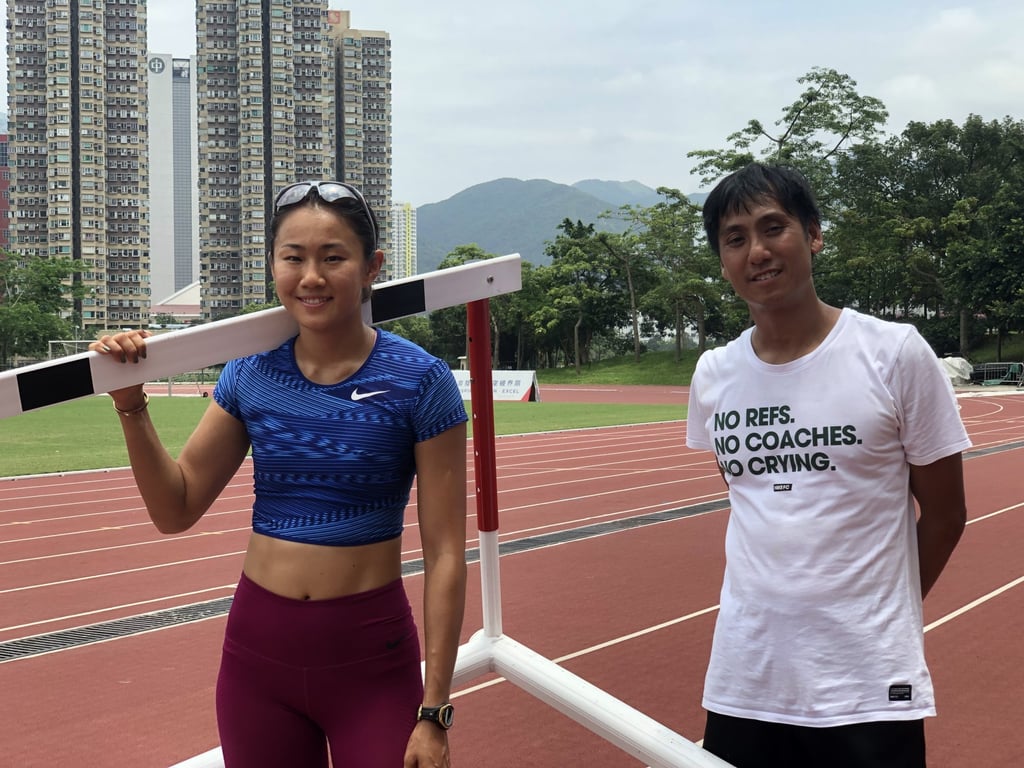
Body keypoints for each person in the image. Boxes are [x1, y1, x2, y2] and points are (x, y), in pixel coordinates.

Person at [91, 181, 468, 768]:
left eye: (333, 257)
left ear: (372, 268)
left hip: (371, 659)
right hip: (258, 662)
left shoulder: (420, 381)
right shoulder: (250, 375)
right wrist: (130, 405)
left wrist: (435, 710)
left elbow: (445, 552)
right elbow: (176, 508)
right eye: (293, 257)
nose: (311, 277)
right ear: (273, 264)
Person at [686, 163, 970, 768]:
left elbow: (946, 514)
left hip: (867, 684)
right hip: (747, 678)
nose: (757, 251)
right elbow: (749, 498)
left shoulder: (893, 353)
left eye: (773, 228)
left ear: (813, 234)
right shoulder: (715, 374)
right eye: (735, 239)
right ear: (721, 259)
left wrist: (884, 612)